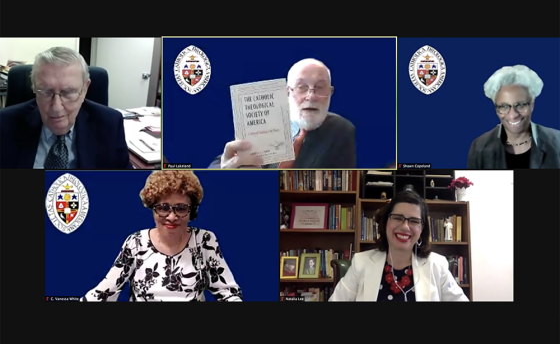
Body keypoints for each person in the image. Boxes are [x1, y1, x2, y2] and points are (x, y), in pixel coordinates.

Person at [81, 170, 242, 301]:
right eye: (164, 208)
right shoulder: (136, 242)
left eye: (181, 208)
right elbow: (105, 292)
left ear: (191, 210)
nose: (172, 217)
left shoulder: (204, 241)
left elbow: (228, 293)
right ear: (152, 207)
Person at [209, 58, 356, 168]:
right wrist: (226, 169)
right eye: (301, 87)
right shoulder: (266, 121)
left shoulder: (341, 130)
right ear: (287, 92)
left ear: (330, 93)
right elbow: (218, 164)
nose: (311, 96)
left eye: (320, 87)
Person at [0, 46, 132, 169]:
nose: (57, 107)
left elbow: (125, 183)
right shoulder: (5, 124)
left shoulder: (110, 124)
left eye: (68, 92)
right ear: (34, 88)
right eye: (46, 92)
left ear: (85, 89)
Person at [329, 190, 468, 302]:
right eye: (397, 218)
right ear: (385, 222)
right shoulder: (361, 263)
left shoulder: (437, 265)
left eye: (414, 221)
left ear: (422, 229)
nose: (405, 227)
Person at [467, 65, 560, 169]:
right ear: (496, 108)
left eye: (520, 105)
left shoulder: (557, 142)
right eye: (503, 106)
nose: (513, 115)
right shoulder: (479, 147)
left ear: (532, 105)